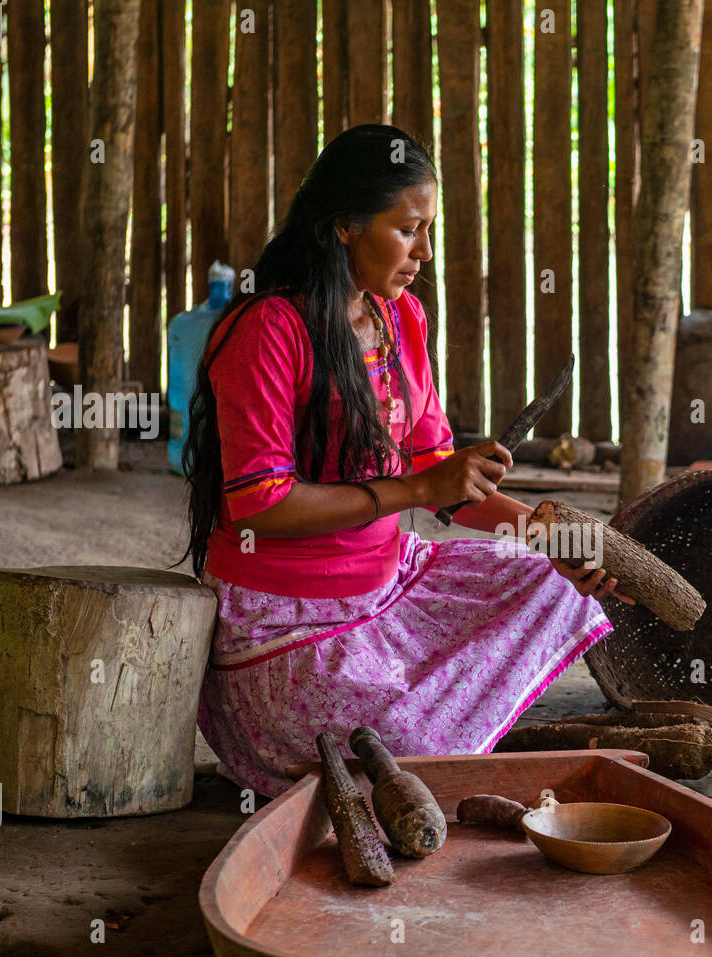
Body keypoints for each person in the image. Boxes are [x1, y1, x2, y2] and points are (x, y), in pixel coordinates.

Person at [179, 124, 629, 799]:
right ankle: (407, 750)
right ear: (344, 227)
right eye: (407, 229)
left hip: (385, 587)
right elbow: (259, 502)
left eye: (428, 231)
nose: (423, 252)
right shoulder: (268, 330)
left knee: (551, 583)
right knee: (407, 743)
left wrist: (552, 536)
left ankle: (421, 747)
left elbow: (445, 486)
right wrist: (418, 484)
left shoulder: (401, 321)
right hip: (287, 627)